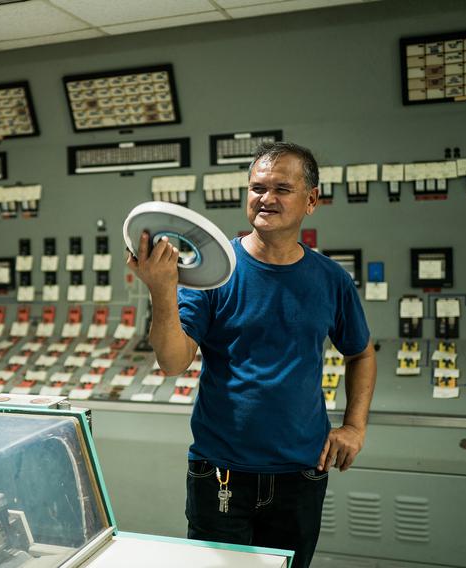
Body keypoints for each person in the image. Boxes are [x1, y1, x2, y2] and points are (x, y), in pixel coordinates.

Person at [126, 141, 376, 568]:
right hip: (220, 472)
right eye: (257, 187)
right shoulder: (212, 274)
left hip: (301, 472)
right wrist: (162, 290)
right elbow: (172, 362)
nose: (266, 198)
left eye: (282, 188)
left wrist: (354, 425)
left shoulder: (330, 279)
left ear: (311, 200)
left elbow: (361, 353)